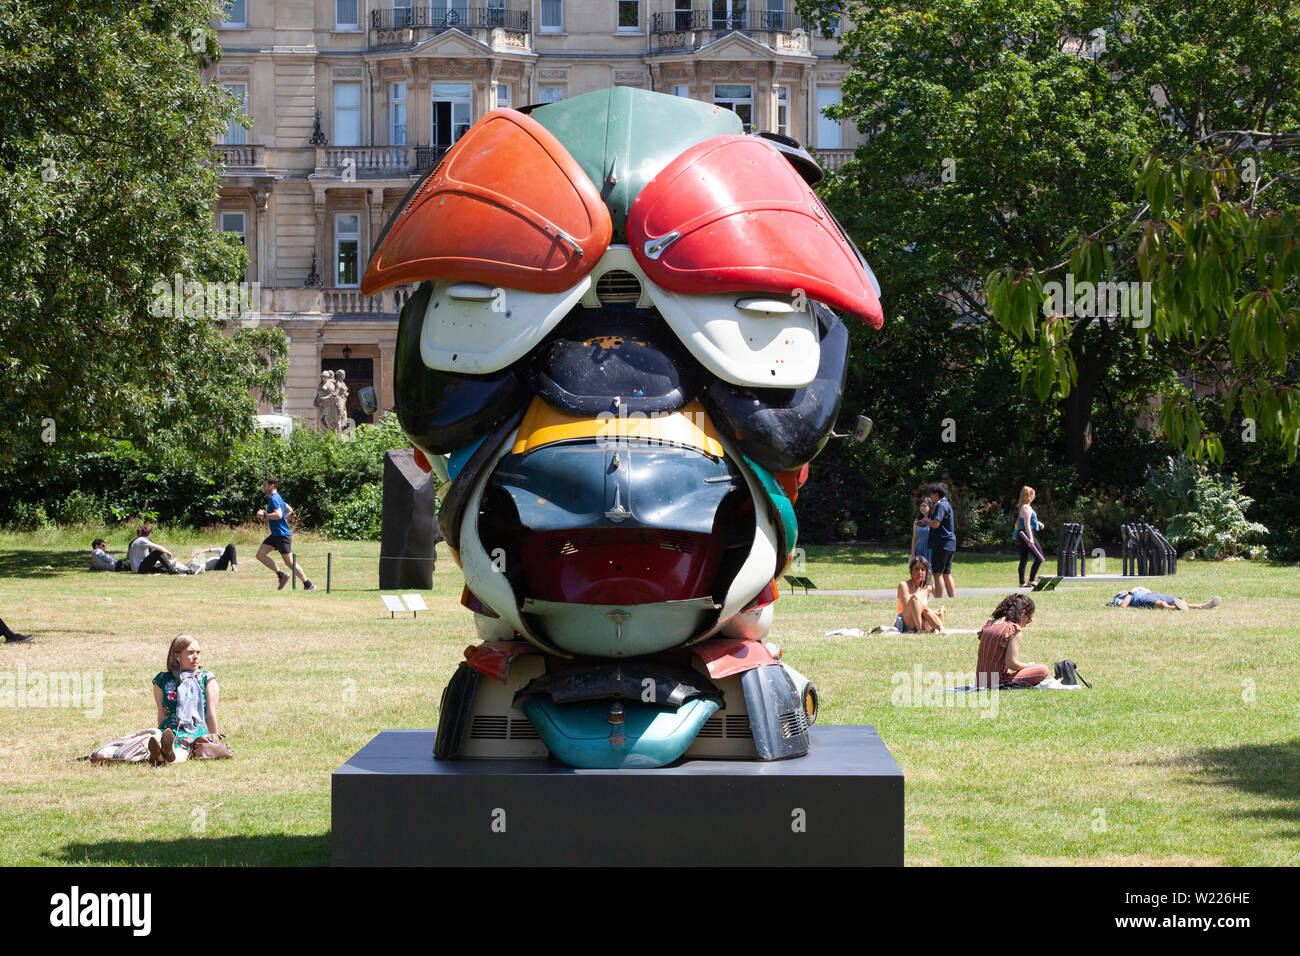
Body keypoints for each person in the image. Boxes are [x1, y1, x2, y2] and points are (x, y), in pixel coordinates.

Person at [148, 634, 220, 766]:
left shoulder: (206, 678)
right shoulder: (162, 680)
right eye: (190, 653)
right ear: (177, 656)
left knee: (181, 747)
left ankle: (165, 756)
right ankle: (162, 750)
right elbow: (162, 713)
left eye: (198, 653)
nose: (196, 657)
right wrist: (160, 731)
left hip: (193, 730)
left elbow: (210, 714)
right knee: (152, 739)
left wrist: (214, 740)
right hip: (168, 730)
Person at [975, 593, 1048, 688]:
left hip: (980, 680)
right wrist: (1028, 665)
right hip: (998, 681)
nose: (1026, 624)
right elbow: (1011, 663)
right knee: (1042, 670)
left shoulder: (990, 624)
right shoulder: (1013, 629)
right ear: (1023, 613)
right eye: (1028, 619)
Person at [255, 476, 315, 591]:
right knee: (260, 555)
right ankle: (281, 574)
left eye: (265, 485)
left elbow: (279, 515)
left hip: (282, 536)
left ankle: (308, 584)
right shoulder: (277, 498)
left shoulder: (274, 498)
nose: (263, 487)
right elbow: (289, 510)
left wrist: (264, 515)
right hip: (275, 535)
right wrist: (283, 521)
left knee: (290, 562)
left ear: (272, 486)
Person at [894, 556, 946, 633]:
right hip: (906, 622)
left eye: (923, 569)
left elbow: (923, 609)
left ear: (926, 573)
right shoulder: (903, 585)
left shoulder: (927, 588)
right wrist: (919, 593)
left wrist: (933, 613)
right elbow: (907, 607)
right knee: (914, 599)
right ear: (911, 571)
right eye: (917, 568)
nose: (920, 572)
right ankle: (920, 631)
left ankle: (942, 629)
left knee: (926, 610)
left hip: (921, 620)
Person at [923, 482, 957, 598]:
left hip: (941, 543)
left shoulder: (940, 505)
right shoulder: (947, 504)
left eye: (931, 494)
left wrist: (927, 521)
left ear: (936, 494)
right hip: (949, 543)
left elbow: (936, 524)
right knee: (947, 573)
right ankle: (952, 598)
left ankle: (938, 598)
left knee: (938, 573)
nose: (931, 497)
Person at [1013, 486, 1047, 587]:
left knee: (1024, 558)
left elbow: (1027, 521)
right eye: (1033, 494)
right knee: (1039, 557)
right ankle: (1031, 580)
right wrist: (1031, 539)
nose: (1034, 496)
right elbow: (1027, 524)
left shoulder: (1025, 507)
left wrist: (1038, 523)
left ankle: (1022, 583)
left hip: (1022, 534)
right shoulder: (1026, 508)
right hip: (1026, 535)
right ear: (1029, 495)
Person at [1110, 588, 1222, 611]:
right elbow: (1123, 605)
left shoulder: (1135, 590)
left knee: (1177, 600)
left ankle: (1203, 606)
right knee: (1160, 604)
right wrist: (1129, 593)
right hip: (1142, 599)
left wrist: (1137, 588)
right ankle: (1174, 608)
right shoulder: (1118, 598)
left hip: (1153, 594)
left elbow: (1147, 589)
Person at [909, 496, 933, 582]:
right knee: (918, 576)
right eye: (921, 506)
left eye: (925, 506)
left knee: (928, 575)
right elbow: (914, 539)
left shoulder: (933, 521)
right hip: (920, 549)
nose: (922, 508)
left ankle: (933, 593)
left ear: (930, 507)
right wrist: (912, 554)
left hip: (930, 549)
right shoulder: (917, 521)